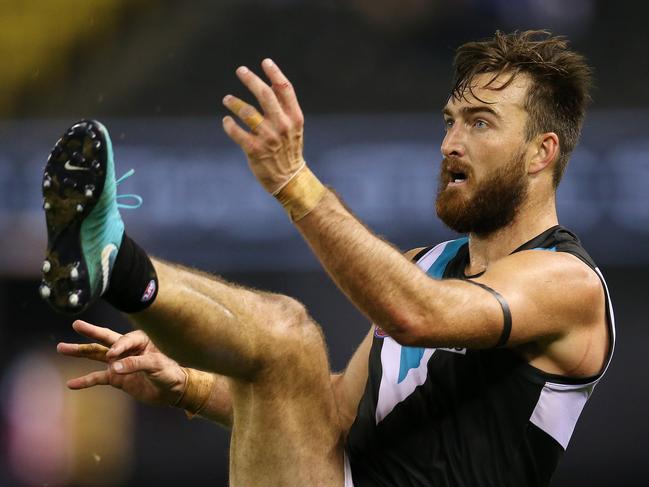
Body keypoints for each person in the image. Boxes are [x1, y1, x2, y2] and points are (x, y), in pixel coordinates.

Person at [46, 30, 614, 486]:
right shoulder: (425, 265)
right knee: (285, 344)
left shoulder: (569, 282)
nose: (450, 143)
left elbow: (420, 315)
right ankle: (114, 260)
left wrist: (295, 182)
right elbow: (331, 417)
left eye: (480, 122)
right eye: (450, 121)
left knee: (291, 333)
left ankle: (116, 259)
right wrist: (187, 386)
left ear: (542, 152)